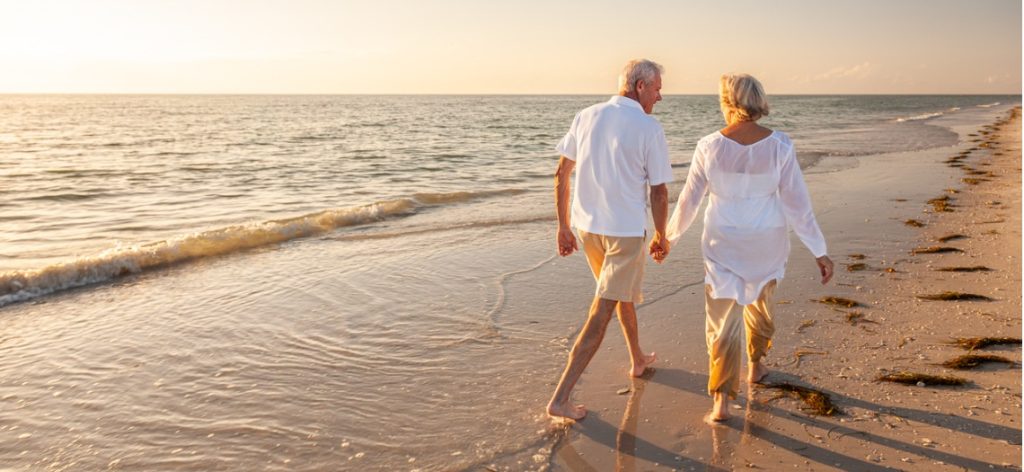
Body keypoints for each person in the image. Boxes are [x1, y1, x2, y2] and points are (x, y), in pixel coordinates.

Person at [663, 73, 834, 422]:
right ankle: (755, 366)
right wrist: (819, 250)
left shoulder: (709, 145)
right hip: (766, 242)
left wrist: (668, 238)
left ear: (728, 102)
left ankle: (721, 402)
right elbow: (798, 205)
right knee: (760, 306)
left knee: (722, 321)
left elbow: (689, 202)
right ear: (758, 101)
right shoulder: (780, 145)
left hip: (722, 242)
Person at [546, 59, 674, 420]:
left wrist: (563, 226)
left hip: (588, 230)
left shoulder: (586, 115)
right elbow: (659, 191)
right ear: (639, 86)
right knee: (602, 310)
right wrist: (662, 234)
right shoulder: (649, 127)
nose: (660, 97)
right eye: (657, 89)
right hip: (624, 234)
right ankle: (560, 398)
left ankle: (637, 358)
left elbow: (561, 174)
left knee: (618, 294)